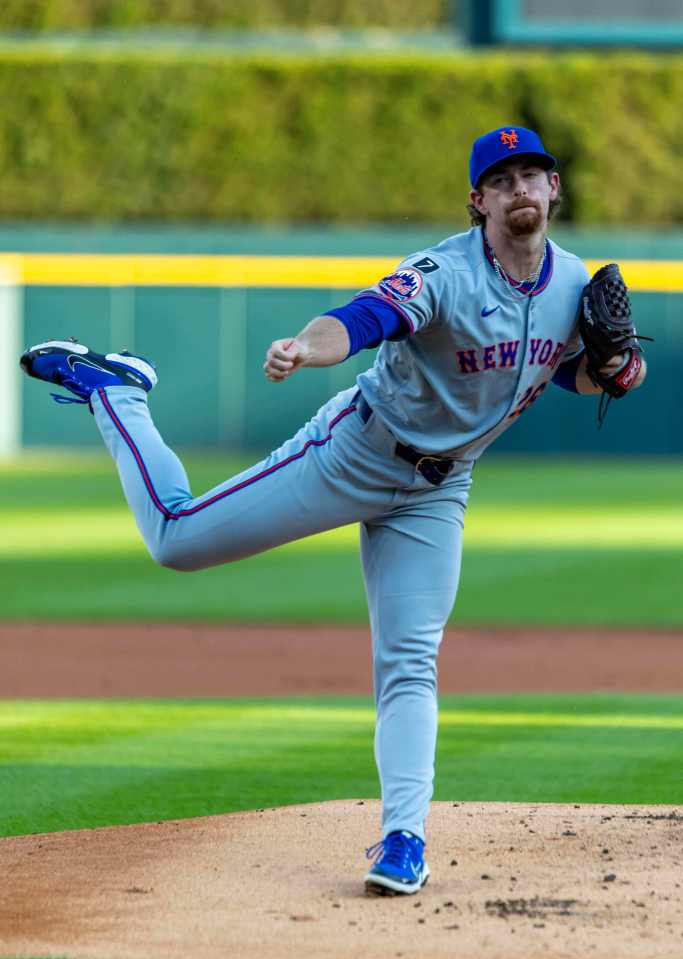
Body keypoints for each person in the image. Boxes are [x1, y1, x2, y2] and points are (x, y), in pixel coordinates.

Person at [20, 126, 646, 897]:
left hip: (438, 491)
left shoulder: (569, 286)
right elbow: (359, 320)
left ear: (554, 190)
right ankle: (116, 390)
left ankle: (403, 839)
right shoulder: (441, 273)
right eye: (503, 177)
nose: (521, 187)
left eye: (534, 173)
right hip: (353, 452)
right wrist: (305, 347)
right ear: (478, 200)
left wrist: (616, 369)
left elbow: (564, 375)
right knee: (175, 538)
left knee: (410, 661)